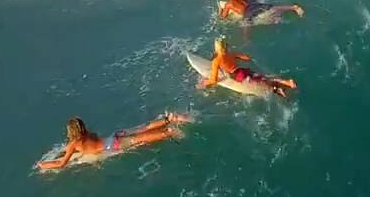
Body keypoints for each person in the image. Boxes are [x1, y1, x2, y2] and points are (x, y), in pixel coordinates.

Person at [36, 112, 190, 170]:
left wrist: (44, 165)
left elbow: (62, 163)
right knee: (142, 128)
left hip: (112, 145)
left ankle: (167, 133)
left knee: (139, 139)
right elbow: (94, 138)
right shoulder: (88, 134)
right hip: (113, 136)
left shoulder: (74, 144)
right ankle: (168, 119)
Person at [199, 38, 297, 98]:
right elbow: (245, 57)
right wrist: (246, 57)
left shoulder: (217, 60)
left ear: (216, 48)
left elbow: (214, 80)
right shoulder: (230, 54)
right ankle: (287, 83)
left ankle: (281, 89)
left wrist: (204, 83)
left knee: (264, 87)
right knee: (264, 79)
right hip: (243, 71)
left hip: (238, 76)